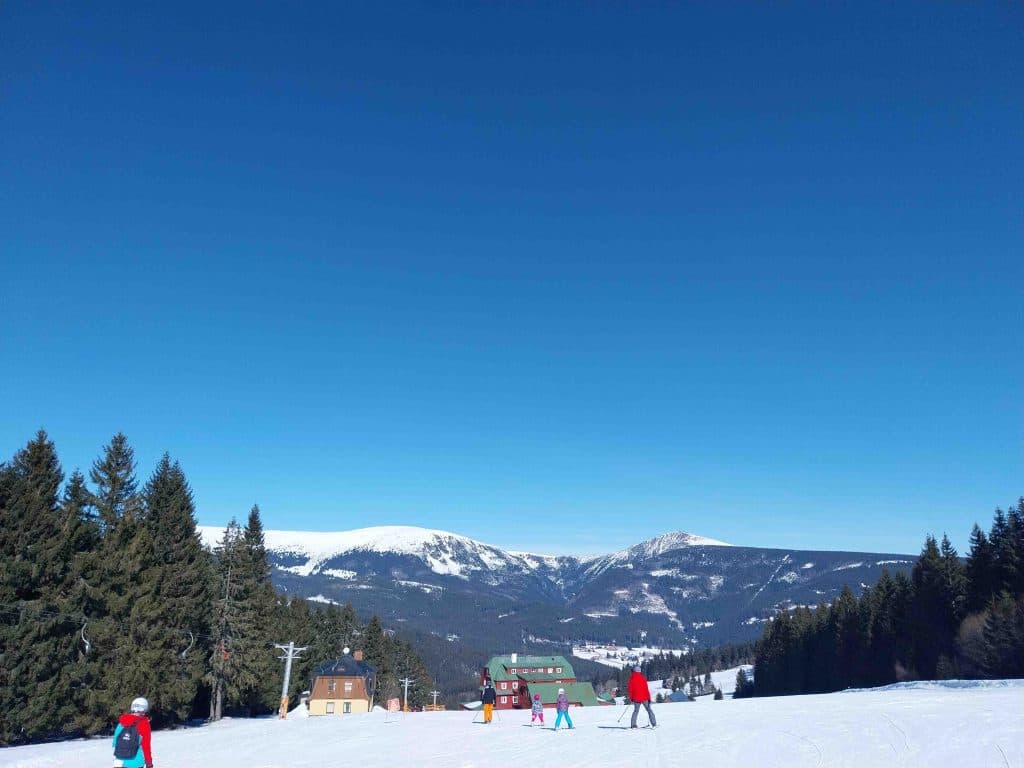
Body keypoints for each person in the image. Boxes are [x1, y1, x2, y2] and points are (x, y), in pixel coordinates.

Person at [112, 696, 154, 768]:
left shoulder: (121, 722)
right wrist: (149, 762)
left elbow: (115, 743)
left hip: (119, 762)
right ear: (145, 709)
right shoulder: (144, 724)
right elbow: (146, 746)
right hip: (136, 762)